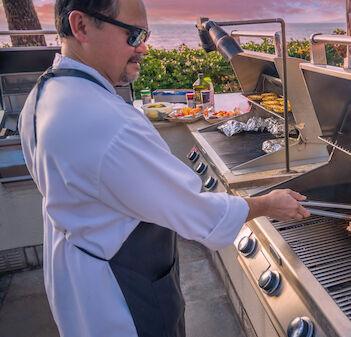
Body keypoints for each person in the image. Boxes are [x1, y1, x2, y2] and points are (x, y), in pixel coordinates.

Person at [18, 0, 310, 336]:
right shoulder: (109, 124)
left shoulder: (45, 92)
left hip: (77, 277)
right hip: (122, 299)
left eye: (147, 35)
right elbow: (196, 212)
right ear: (81, 26)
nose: (144, 47)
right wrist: (267, 203)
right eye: (134, 35)